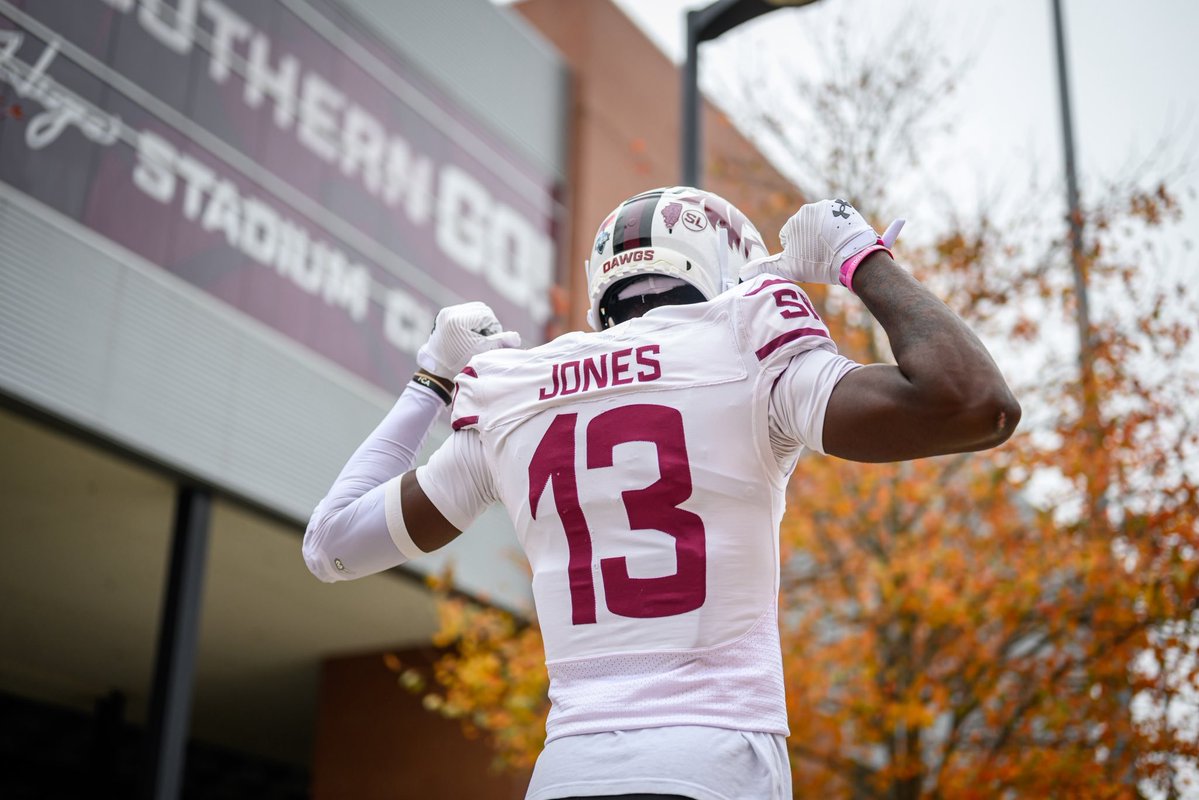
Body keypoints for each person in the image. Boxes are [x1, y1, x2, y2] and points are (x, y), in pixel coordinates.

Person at [303, 188, 1021, 800]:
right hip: (713, 764)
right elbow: (973, 404)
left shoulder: (511, 395)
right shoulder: (748, 342)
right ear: (729, 269)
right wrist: (857, 255)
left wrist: (431, 378)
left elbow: (332, 547)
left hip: (566, 776)